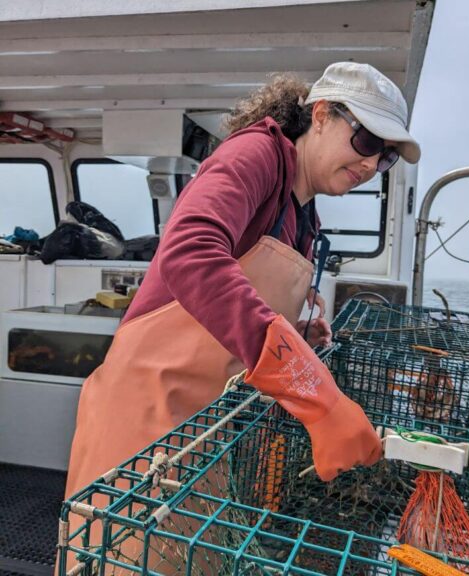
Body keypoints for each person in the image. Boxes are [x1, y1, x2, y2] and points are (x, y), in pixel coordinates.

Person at [64, 62, 420, 498]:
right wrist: (312, 390)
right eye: (367, 141)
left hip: (209, 426)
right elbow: (190, 253)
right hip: (148, 412)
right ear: (322, 114)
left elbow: (243, 315)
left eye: (385, 157)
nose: (370, 162)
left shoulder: (304, 215)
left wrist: (295, 336)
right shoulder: (255, 154)